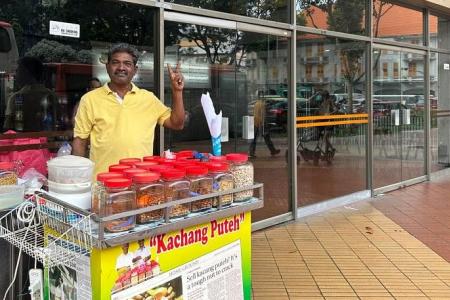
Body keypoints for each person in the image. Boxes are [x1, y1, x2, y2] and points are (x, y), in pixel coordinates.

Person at [73, 43, 185, 176]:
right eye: (115, 62)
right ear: (107, 67)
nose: (121, 67)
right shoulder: (90, 99)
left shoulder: (148, 99)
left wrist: (177, 91)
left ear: (135, 70)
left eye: (127, 63)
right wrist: (78, 178)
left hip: (140, 181)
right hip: (103, 183)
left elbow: (177, 123)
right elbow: (80, 142)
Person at [3, 56, 59, 132]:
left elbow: (8, 127)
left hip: (23, 142)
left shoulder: (17, 97)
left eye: (18, 71)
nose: (16, 75)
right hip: (47, 141)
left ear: (26, 72)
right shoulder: (52, 96)